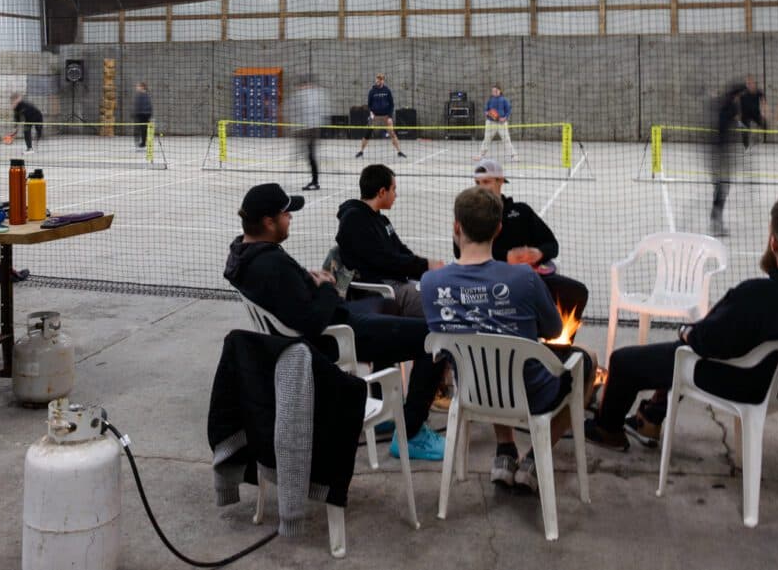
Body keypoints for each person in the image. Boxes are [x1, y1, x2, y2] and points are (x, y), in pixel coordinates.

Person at [587, 196, 778, 451]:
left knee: (626, 361)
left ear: (774, 243)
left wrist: (687, 332)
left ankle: (607, 430)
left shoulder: (758, 295)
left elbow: (705, 340)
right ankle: (651, 419)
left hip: (745, 381)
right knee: (676, 354)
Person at [225, 182, 447, 462]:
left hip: (333, 322)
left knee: (389, 305)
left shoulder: (245, 255)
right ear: (269, 222)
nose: (290, 217)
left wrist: (308, 279)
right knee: (434, 336)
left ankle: (383, 408)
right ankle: (413, 431)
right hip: (338, 335)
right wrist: (327, 286)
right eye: (286, 214)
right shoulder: (269, 265)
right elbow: (312, 321)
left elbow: (291, 297)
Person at [421, 186, 595, 494]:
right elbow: (555, 331)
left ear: (456, 227)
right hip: (531, 393)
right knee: (588, 360)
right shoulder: (525, 278)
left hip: (471, 390)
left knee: (492, 358)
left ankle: (505, 450)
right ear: (499, 229)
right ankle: (533, 459)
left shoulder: (431, 282)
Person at [467, 159, 589, 321]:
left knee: (577, 292)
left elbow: (552, 245)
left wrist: (538, 253)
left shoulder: (521, 211)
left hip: (527, 279)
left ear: (501, 181)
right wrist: (506, 257)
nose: (481, 188)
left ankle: (559, 344)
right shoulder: (470, 213)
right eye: (477, 183)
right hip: (487, 282)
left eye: (486, 182)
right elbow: (461, 251)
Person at [335, 164, 441, 318]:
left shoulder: (381, 219)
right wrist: (425, 265)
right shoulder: (354, 220)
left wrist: (426, 269)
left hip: (397, 281)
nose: (395, 195)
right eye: (394, 189)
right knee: (443, 301)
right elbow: (384, 260)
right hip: (381, 289)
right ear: (382, 192)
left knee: (442, 287)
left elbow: (401, 250)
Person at [709, 82, 746, 236]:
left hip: (718, 152)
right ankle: (716, 222)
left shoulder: (724, 104)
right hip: (722, 153)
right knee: (722, 188)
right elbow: (736, 121)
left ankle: (716, 219)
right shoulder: (731, 106)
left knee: (720, 187)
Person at [289, 77, 328, 191]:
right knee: (309, 155)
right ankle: (314, 181)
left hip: (311, 129)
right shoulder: (310, 94)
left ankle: (315, 182)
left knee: (310, 156)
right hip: (309, 129)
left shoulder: (310, 94)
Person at [355, 73, 405, 160]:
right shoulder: (372, 91)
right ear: (376, 80)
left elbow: (392, 105)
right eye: (377, 79)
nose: (378, 80)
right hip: (375, 116)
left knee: (392, 133)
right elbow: (369, 105)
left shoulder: (387, 90)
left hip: (386, 116)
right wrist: (371, 113)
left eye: (380, 79)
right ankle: (361, 151)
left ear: (383, 80)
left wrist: (389, 117)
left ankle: (399, 151)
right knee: (368, 133)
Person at [477, 84, 518, 160]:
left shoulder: (504, 100)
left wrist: (504, 118)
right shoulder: (490, 100)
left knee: (506, 139)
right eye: (493, 91)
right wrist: (487, 112)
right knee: (487, 138)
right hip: (490, 122)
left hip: (501, 123)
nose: (494, 92)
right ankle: (481, 155)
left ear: (500, 91)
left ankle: (513, 155)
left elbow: (508, 110)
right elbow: (486, 109)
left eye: (496, 91)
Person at [738, 75, 767, 152]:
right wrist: (738, 115)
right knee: (744, 131)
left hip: (755, 113)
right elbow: (737, 102)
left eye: (752, 83)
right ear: (746, 84)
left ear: (754, 83)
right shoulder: (742, 92)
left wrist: (763, 112)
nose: (750, 84)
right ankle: (746, 147)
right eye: (748, 83)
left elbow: (763, 100)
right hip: (745, 115)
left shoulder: (758, 91)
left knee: (764, 124)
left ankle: (757, 138)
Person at [131, 82, 153, 149]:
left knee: (143, 129)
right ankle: (142, 142)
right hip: (141, 114)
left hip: (144, 115)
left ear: (142, 87)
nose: (137, 87)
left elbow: (147, 106)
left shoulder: (144, 95)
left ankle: (143, 142)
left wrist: (140, 113)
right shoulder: (140, 95)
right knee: (142, 129)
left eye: (138, 86)